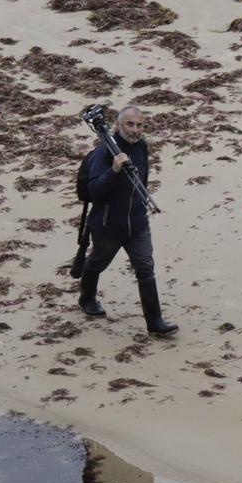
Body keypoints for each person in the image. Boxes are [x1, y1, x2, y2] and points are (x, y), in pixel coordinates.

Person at [78, 105, 178, 335]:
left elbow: (142, 178)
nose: (135, 130)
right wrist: (113, 171)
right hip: (107, 226)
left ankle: (155, 322)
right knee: (96, 263)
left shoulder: (142, 147)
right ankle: (87, 298)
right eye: (130, 124)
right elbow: (94, 191)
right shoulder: (104, 152)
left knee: (145, 268)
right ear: (118, 125)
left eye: (140, 125)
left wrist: (141, 208)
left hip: (137, 223)